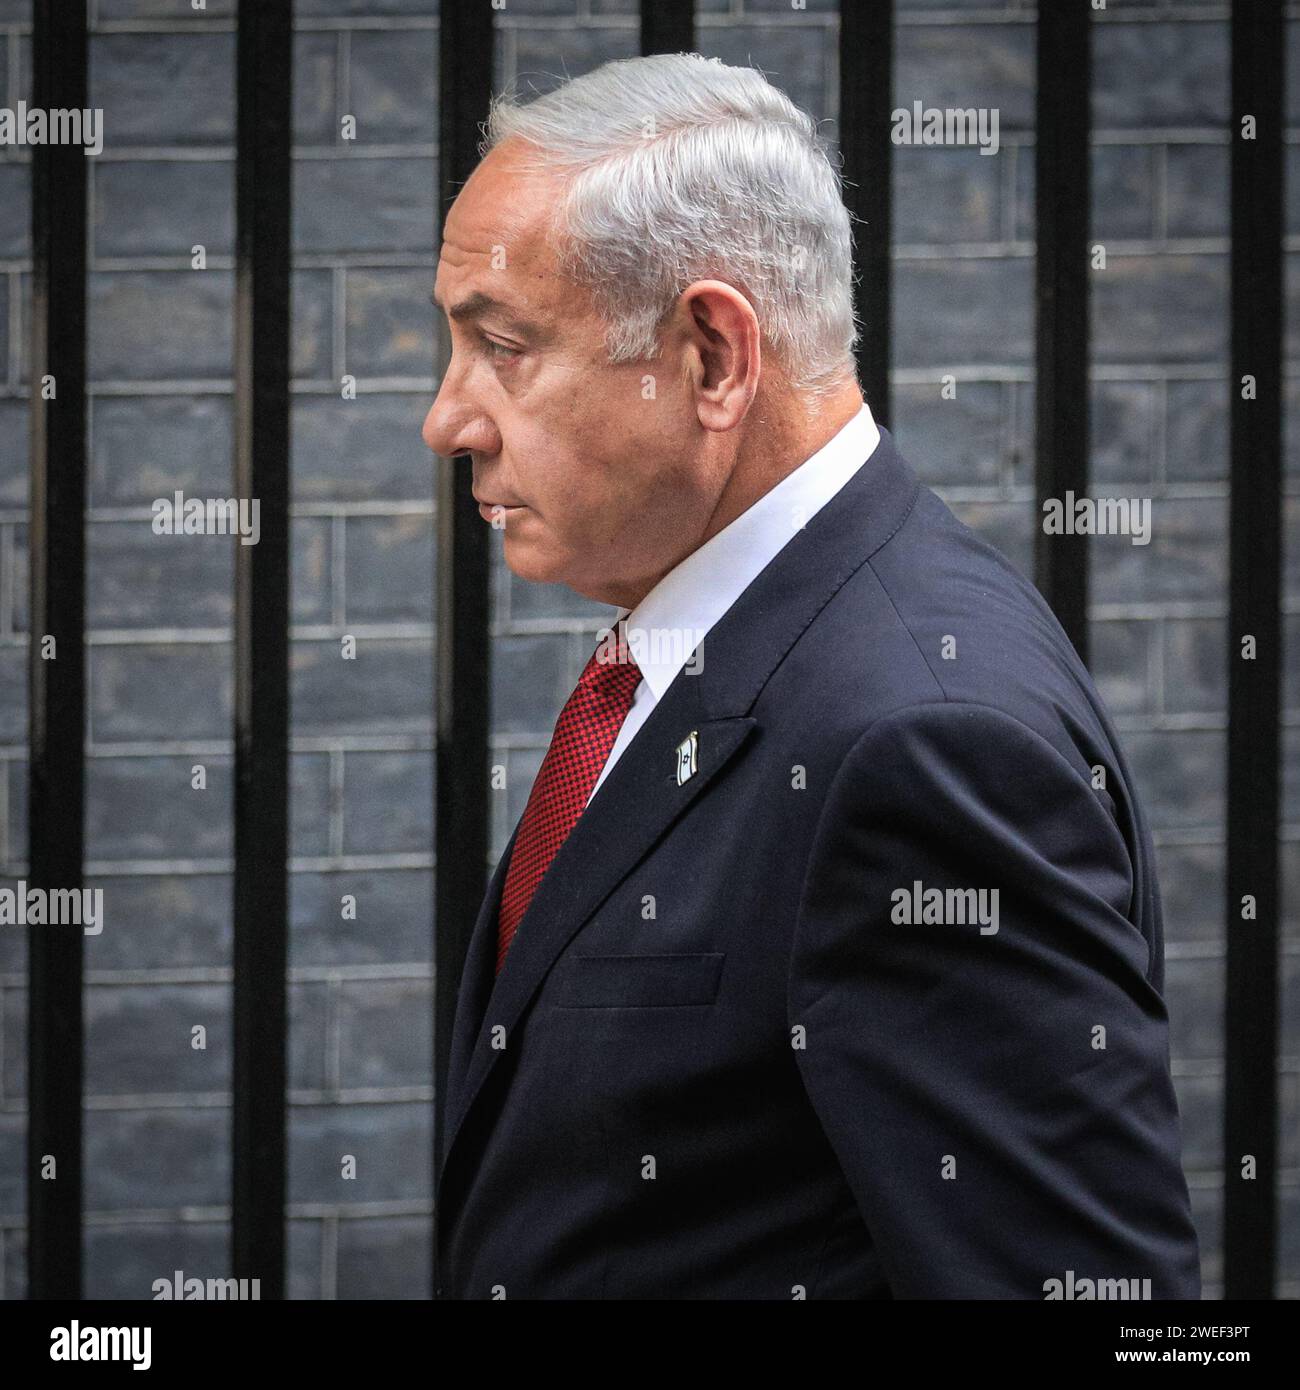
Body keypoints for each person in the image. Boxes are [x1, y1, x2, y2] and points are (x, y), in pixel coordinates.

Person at [423, 52, 1201, 1300]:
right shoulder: (723, 639)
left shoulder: (924, 739)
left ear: (713, 356)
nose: (447, 418)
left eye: (502, 347)